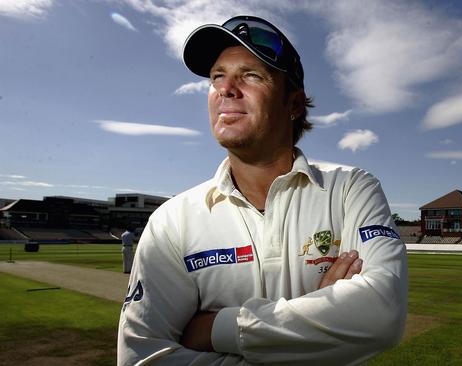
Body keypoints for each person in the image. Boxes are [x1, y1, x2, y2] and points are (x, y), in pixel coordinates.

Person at [117, 15, 407, 366]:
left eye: (251, 75)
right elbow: (142, 358)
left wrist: (215, 329)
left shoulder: (349, 189)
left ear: (294, 104)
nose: (226, 89)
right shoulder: (172, 221)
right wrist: (321, 327)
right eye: (217, 77)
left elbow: (381, 314)